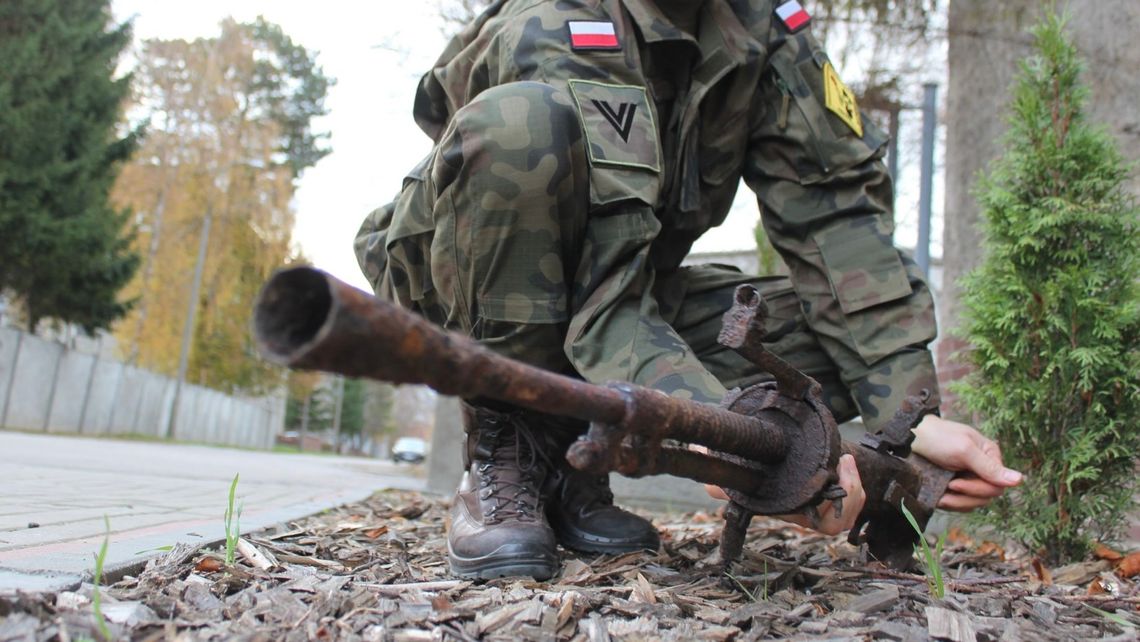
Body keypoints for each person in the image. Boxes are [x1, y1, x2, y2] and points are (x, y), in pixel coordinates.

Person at [355, 0, 1023, 580]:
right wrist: (742, 441)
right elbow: (601, 291)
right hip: (458, 278)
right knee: (520, 127)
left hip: (626, 283)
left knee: (807, 344)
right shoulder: (562, 19)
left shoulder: (763, 27)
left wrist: (911, 418)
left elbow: (836, 218)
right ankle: (506, 450)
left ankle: (569, 462)